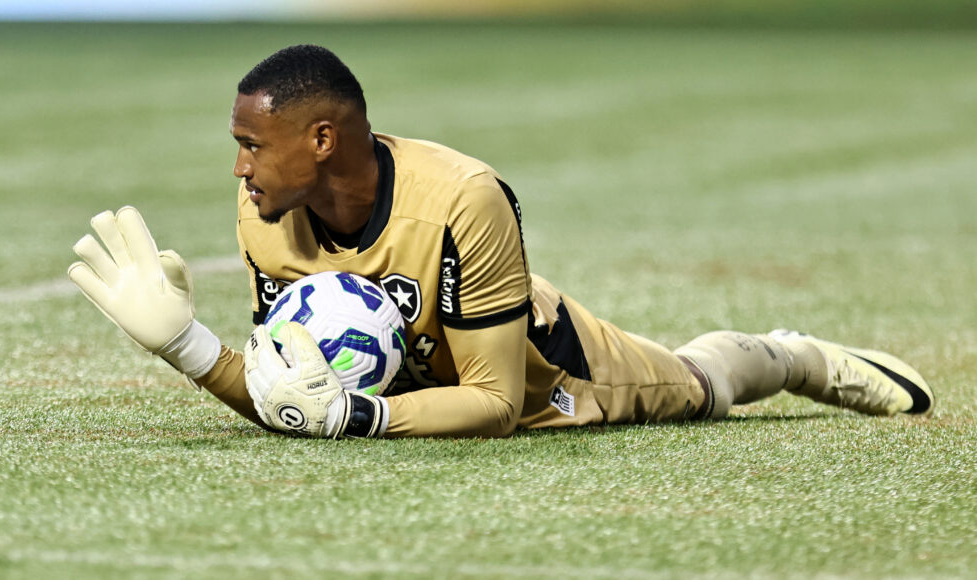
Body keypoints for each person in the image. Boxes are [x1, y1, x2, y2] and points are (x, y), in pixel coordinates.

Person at [68, 45, 934, 439]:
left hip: (543, 363)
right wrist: (188, 347)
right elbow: (289, 399)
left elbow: (492, 401)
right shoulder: (263, 213)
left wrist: (360, 415)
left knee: (698, 387)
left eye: (252, 144)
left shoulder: (462, 199)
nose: (238, 167)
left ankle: (790, 357)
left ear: (322, 140)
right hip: (416, 383)